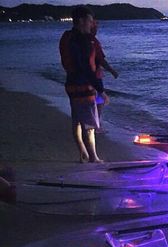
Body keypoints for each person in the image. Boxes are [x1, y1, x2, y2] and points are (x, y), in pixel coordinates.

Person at [59, 6, 107, 163]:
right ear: (81, 21)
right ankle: (93, 157)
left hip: (71, 85)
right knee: (89, 124)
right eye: (90, 20)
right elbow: (86, 67)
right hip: (83, 87)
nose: (92, 24)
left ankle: (82, 152)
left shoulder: (67, 37)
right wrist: (101, 90)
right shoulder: (82, 41)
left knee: (78, 120)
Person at [91, 19, 118, 133]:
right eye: (95, 26)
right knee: (99, 101)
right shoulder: (93, 41)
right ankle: (96, 125)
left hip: (93, 75)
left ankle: (95, 124)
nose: (97, 28)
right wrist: (112, 70)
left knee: (97, 102)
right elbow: (100, 59)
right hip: (94, 76)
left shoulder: (88, 41)